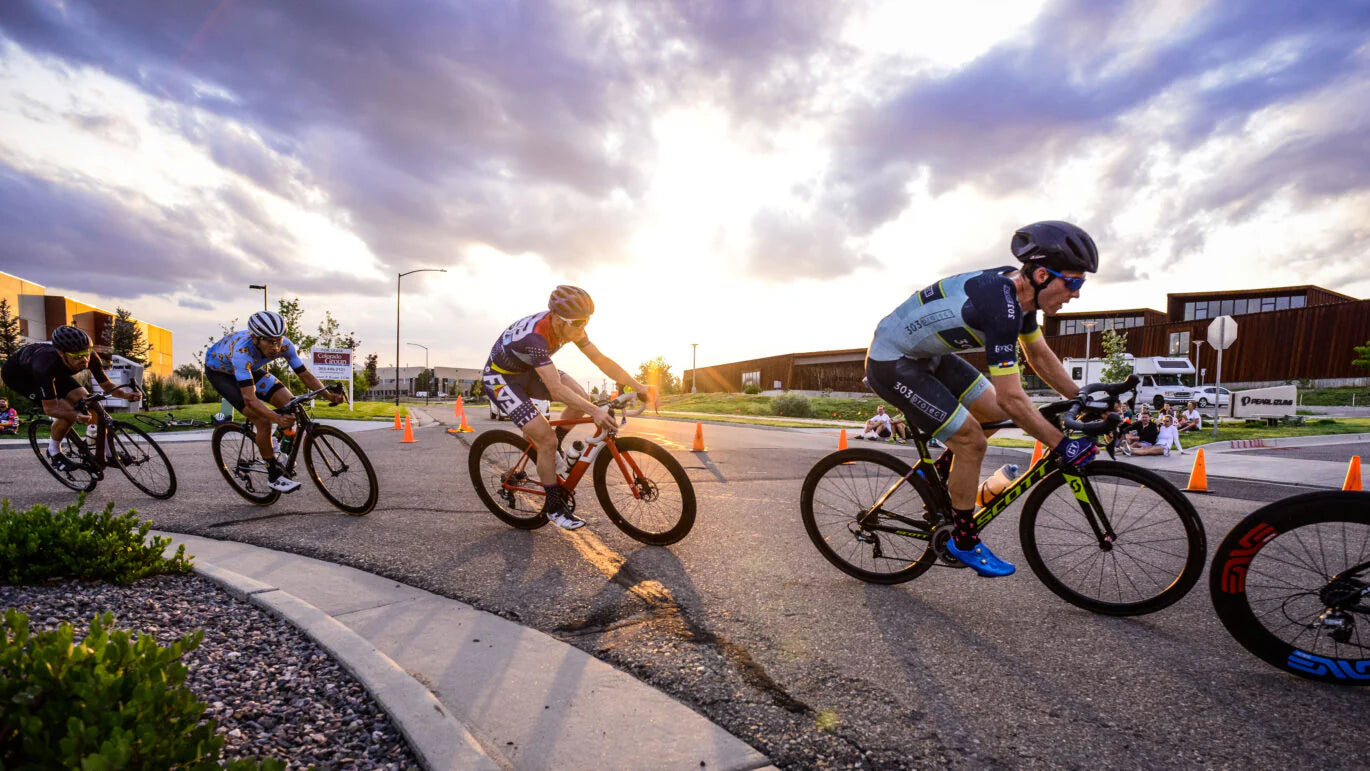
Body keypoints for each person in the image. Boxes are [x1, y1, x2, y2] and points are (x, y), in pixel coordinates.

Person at [864, 220, 1099, 577]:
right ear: (1040, 276)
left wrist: (1081, 396)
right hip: (892, 361)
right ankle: (963, 539)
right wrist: (1060, 444)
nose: (1077, 293)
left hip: (929, 355)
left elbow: (1038, 356)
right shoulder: (1000, 305)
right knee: (971, 441)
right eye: (1074, 282)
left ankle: (936, 482)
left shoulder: (1020, 300)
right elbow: (1013, 399)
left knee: (989, 416)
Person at [482, 286, 649, 530]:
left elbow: (601, 360)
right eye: (579, 323)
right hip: (501, 378)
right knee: (545, 438)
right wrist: (595, 410)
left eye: (587, 322)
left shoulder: (570, 327)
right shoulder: (536, 337)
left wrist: (638, 385)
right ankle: (553, 506)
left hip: (528, 370)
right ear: (559, 320)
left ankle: (554, 447)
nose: (583, 329)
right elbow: (557, 389)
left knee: (580, 398)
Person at [205, 310, 346, 493]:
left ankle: (278, 447)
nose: (276, 347)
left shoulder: (285, 345)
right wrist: (275, 418)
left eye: (278, 340)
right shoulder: (242, 352)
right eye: (270, 342)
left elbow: (304, 374)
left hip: (249, 369)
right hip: (222, 374)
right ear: (255, 339)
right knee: (263, 420)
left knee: (291, 404)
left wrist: (328, 395)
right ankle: (273, 474)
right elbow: (250, 399)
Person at [0, 326, 141, 469]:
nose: (84, 359)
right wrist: (75, 415)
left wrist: (125, 394)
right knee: (67, 412)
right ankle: (54, 452)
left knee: (90, 403)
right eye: (77, 356)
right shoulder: (44, 365)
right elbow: (50, 409)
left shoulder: (90, 356)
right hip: (20, 377)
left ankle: (110, 455)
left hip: (56, 370)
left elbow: (106, 385)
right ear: (62, 353)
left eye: (86, 353)